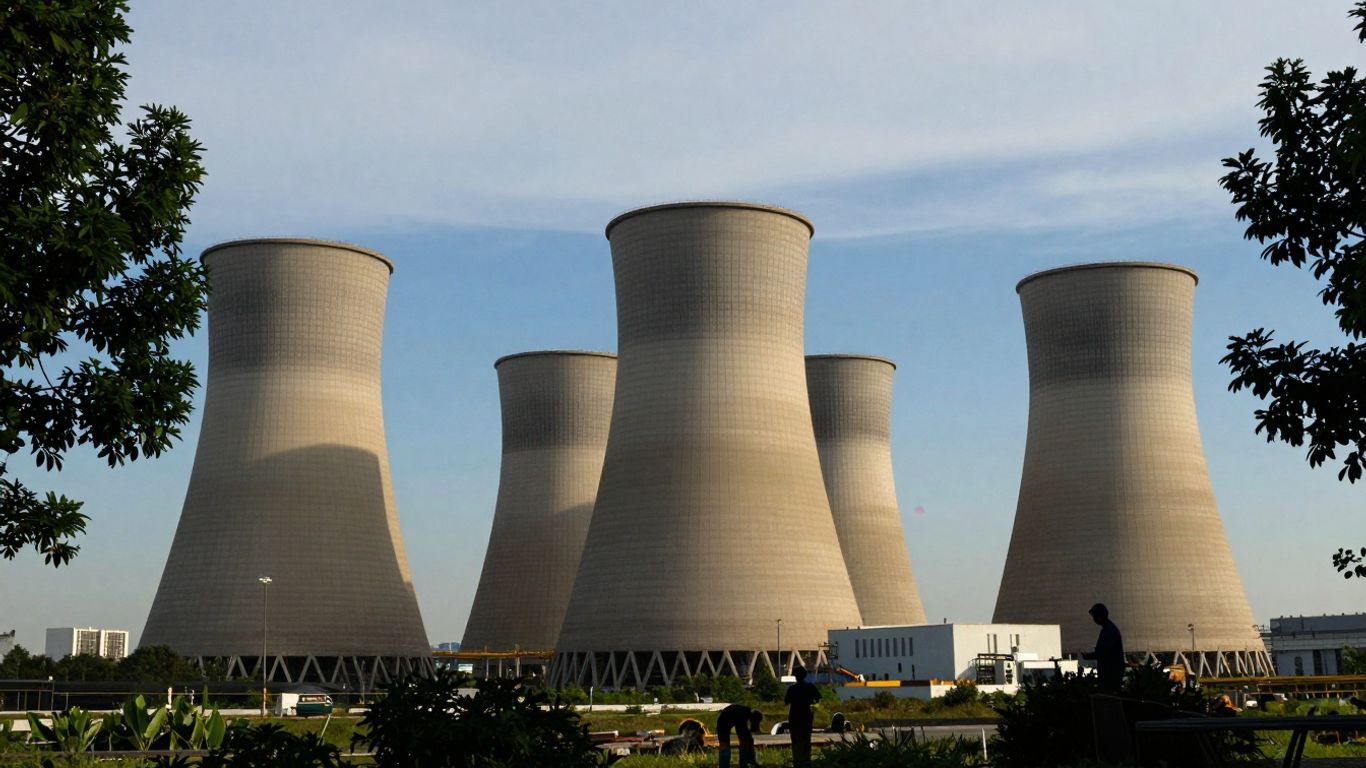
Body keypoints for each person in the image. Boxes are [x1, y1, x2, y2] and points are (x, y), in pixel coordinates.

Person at [1081, 602, 1124, 692]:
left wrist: (1088, 656)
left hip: (1110, 675)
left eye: (1094, 617)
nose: (1094, 620)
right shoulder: (1109, 629)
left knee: (1108, 696)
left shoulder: (1109, 631)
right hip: (1110, 673)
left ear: (1099, 617)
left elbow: (1103, 652)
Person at [784, 666, 821, 768]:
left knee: (796, 740)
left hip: (795, 716)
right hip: (806, 715)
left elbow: (786, 701)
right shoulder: (810, 687)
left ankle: (797, 761)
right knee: (806, 740)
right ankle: (806, 761)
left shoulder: (792, 689)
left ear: (795, 676)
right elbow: (817, 699)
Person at [715, 703, 762, 768]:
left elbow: (742, 730)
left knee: (748, 740)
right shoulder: (743, 714)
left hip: (724, 721)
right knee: (725, 746)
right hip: (722, 725)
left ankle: (749, 760)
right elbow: (741, 730)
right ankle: (727, 765)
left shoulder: (745, 712)